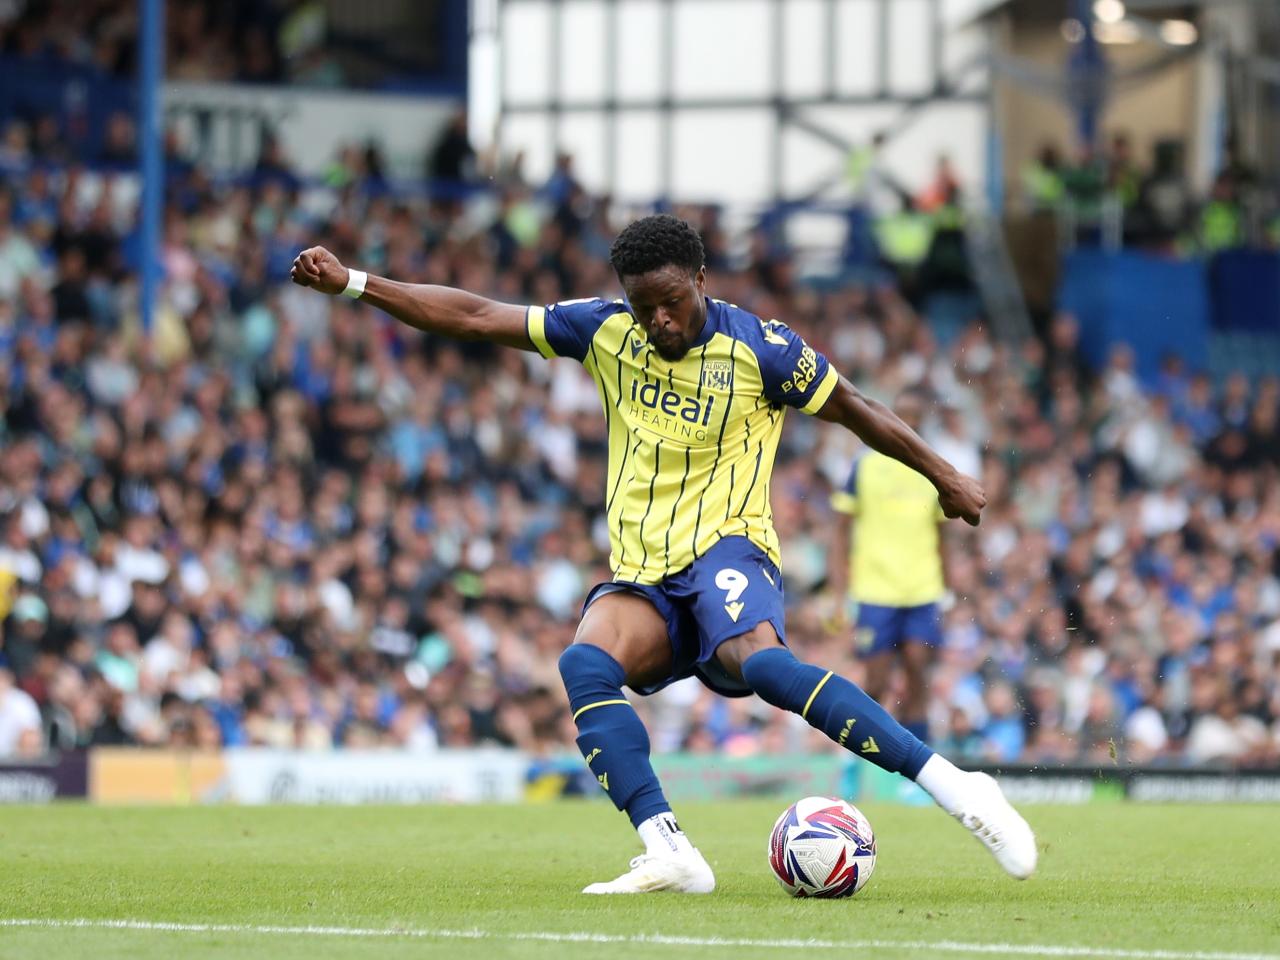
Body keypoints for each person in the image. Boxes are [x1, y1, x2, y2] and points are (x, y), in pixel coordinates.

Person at [290, 214, 1036, 895]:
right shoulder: (606, 331)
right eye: (644, 305)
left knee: (765, 664)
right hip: (646, 576)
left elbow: (857, 409)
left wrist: (946, 475)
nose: (658, 320)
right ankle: (668, 845)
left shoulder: (761, 349)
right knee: (584, 662)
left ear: (701, 281)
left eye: (671, 301)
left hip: (728, 555)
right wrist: (357, 283)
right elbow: (479, 316)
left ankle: (957, 785)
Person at [830, 391, 948, 744]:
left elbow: (943, 535)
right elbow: (840, 531)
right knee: (877, 682)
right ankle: (863, 758)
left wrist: (952, 590)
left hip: (923, 588)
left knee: (917, 670)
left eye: (916, 417)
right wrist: (839, 592)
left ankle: (918, 763)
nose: (909, 423)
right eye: (903, 415)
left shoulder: (933, 467)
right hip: (875, 589)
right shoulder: (864, 465)